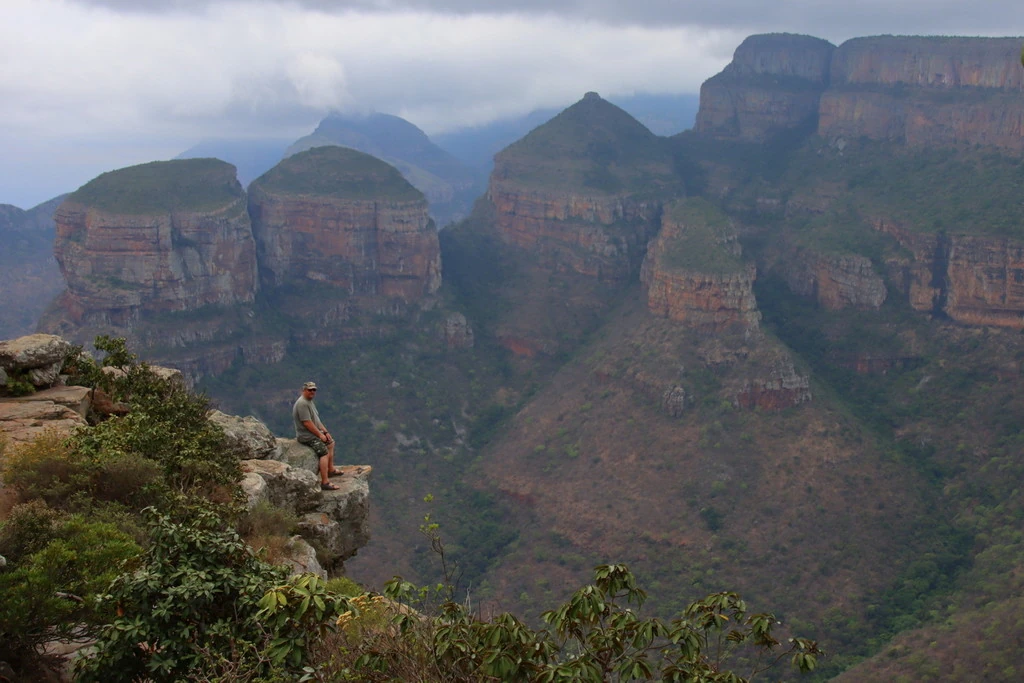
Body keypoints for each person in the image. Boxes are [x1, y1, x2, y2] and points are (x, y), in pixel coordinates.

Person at [293, 381, 341, 490]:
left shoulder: (309, 402)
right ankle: (325, 482)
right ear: (304, 390)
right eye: (309, 390)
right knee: (323, 452)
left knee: (331, 442)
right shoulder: (302, 403)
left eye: (314, 390)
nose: (312, 392)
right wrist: (320, 435)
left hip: (313, 434)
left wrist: (326, 432)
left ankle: (331, 470)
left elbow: (316, 420)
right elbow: (307, 423)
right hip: (306, 436)